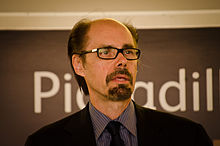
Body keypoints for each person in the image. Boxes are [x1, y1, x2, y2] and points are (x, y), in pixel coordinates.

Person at [25, 18, 213, 146]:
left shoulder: (189, 137)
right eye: (106, 52)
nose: (122, 60)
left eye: (129, 51)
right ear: (79, 64)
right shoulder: (44, 142)